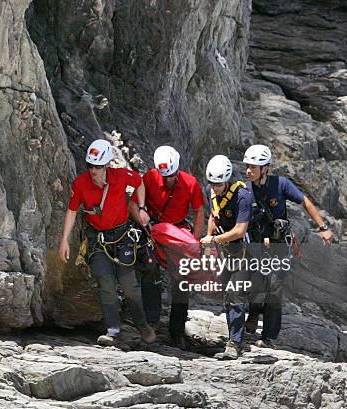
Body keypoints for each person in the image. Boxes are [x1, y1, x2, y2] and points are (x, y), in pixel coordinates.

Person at [58, 139, 156, 346]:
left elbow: (139, 182)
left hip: (122, 236)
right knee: (106, 284)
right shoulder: (81, 183)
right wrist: (64, 240)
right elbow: (72, 210)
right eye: (90, 166)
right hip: (98, 239)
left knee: (129, 285)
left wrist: (141, 207)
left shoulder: (121, 176)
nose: (94, 170)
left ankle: (142, 324)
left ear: (107, 165)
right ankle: (113, 331)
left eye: (98, 166)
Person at [243, 144, 334, 348]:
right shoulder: (245, 190)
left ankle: (268, 338)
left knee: (274, 287)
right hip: (256, 243)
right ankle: (254, 312)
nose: (249, 171)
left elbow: (305, 202)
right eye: (247, 166)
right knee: (257, 283)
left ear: (265, 168)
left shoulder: (281, 184)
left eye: (253, 167)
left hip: (279, 243)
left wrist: (323, 227)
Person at [128, 146, 205, 348]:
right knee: (149, 269)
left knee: (182, 280)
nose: (168, 179)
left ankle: (177, 330)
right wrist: (144, 224)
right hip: (152, 232)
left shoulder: (190, 183)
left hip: (178, 233)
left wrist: (194, 242)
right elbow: (133, 205)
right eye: (165, 176)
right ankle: (151, 321)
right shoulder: (150, 178)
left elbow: (198, 212)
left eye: (171, 176)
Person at [200, 155, 255, 360]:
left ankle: (235, 343)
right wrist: (208, 237)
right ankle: (236, 333)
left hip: (244, 251)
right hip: (226, 251)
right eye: (212, 184)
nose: (214, 188)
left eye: (219, 184)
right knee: (226, 296)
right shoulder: (211, 191)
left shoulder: (242, 196)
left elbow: (240, 230)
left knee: (235, 294)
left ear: (227, 180)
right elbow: (214, 216)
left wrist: (214, 241)